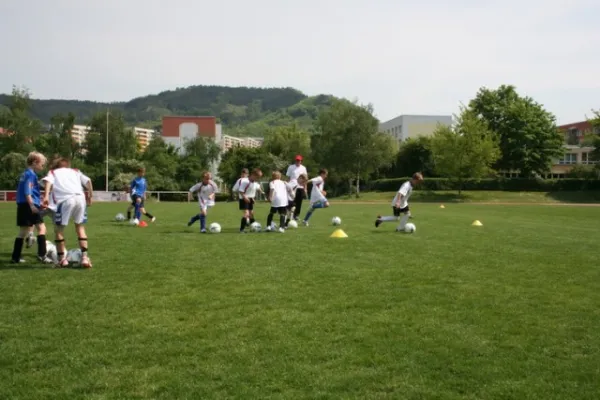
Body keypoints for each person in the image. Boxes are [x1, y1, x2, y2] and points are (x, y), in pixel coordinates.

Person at [42, 157, 94, 268]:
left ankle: (62, 259)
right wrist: (90, 196)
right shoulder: (75, 171)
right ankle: (84, 257)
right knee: (80, 227)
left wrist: (46, 196)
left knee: (59, 229)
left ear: (57, 166)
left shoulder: (53, 172)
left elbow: (48, 181)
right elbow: (88, 181)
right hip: (80, 198)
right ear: (67, 165)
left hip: (65, 200)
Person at [10, 151, 53, 264]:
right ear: (34, 162)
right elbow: (27, 192)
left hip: (23, 205)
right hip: (29, 205)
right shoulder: (31, 174)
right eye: (41, 164)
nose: (42, 167)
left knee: (23, 232)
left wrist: (38, 203)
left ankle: (15, 257)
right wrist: (32, 205)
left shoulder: (25, 173)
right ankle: (42, 255)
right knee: (42, 229)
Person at [238, 168, 263, 233]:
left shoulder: (254, 183)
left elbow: (253, 190)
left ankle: (255, 227)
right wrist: (245, 197)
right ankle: (242, 229)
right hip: (244, 199)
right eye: (257, 177)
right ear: (253, 175)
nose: (258, 179)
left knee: (251, 214)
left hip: (250, 199)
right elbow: (241, 191)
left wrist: (253, 198)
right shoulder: (245, 182)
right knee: (246, 214)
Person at [286, 155, 308, 221]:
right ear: (295, 160)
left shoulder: (303, 168)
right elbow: (288, 178)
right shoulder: (291, 167)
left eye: (299, 160)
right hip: (292, 186)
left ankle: (296, 215)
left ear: (301, 161)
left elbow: (305, 179)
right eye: (297, 160)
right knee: (292, 201)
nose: (298, 161)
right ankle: (289, 214)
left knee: (299, 202)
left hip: (300, 187)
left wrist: (305, 188)